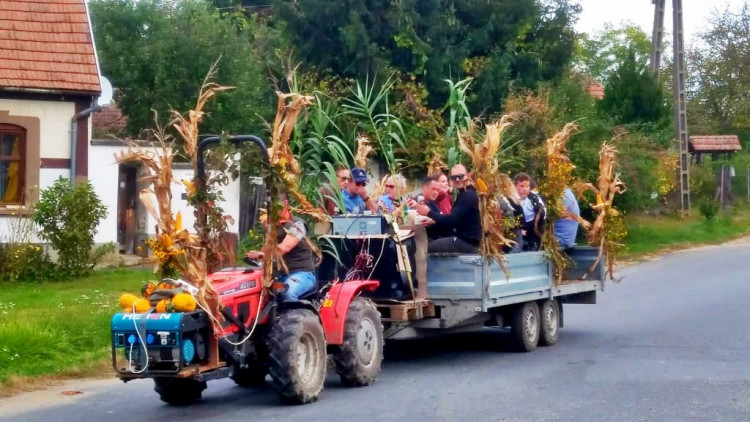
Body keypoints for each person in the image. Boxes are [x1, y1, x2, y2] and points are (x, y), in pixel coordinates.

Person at [244, 196, 318, 301]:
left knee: (288, 293)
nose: (270, 208)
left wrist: (262, 255)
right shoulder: (272, 226)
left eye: (274, 204)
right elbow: (266, 249)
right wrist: (257, 254)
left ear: (285, 203)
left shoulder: (297, 225)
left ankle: (294, 316)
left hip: (300, 274)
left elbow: (284, 248)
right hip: (278, 275)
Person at [414, 164, 481, 253]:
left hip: (465, 242)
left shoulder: (468, 195)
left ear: (467, 176)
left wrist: (429, 213)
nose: (457, 179)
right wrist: (434, 221)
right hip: (464, 240)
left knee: (423, 249)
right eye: (454, 178)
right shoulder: (464, 194)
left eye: (460, 176)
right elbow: (454, 220)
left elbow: (451, 221)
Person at [406, 175, 446, 240]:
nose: (436, 192)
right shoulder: (415, 203)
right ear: (424, 188)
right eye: (433, 189)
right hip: (423, 241)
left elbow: (442, 219)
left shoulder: (433, 205)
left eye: (438, 190)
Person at [514, 172, 546, 251]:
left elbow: (543, 216)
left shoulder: (534, 199)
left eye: (527, 186)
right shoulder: (512, 199)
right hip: (517, 232)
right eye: (521, 186)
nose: (525, 189)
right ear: (515, 186)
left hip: (533, 231)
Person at [498, 173, 524, 253]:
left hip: (510, 240)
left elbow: (509, 223)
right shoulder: (516, 200)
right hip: (518, 237)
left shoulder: (504, 201)